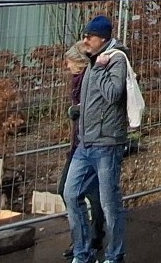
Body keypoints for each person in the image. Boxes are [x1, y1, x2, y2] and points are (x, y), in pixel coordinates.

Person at [64, 14, 129, 263]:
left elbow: (113, 95)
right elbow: (92, 98)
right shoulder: (93, 60)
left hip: (107, 143)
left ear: (101, 38)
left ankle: (114, 256)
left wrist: (101, 68)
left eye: (88, 36)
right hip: (86, 142)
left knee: (109, 203)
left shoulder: (115, 59)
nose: (84, 41)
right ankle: (82, 254)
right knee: (71, 194)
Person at [60, 42, 104, 262]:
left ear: (79, 62)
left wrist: (77, 110)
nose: (67, 66)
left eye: (69, 62)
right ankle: (88, 238)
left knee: (70, 190)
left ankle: (87, 240)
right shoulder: (77, 81)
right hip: (79, 144)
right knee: (90, 192)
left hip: (91, 144)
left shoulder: (90, 77)